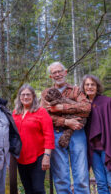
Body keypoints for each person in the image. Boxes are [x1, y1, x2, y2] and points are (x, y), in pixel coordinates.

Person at [41, 62, 91, 194]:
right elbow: (45, 116)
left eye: (59, 71)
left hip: (77, 133)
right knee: (61, 176)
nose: (57, 74)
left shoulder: (76, 90)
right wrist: (66, 121)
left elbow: (86, 108)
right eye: (54, 73)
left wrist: (61, 108)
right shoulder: (46, 93)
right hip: (56, 134)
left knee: (81, 174)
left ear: (65, 72)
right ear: (51, 76)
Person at [13, 84, 55, 194]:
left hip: (38, 156)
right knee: (28, 189)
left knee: (38, 189)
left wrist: (47, 156)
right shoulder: (15, 113)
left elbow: (49, 135)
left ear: (33, 96)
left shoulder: (41, 112)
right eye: (23, 95)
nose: (25, 97)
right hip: (21, 157)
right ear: (19, 97)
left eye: (28, 94)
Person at [81, 74, 111, 194]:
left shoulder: (106, 101)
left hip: (106, 147)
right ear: (83, 87)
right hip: (93, 150)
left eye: (92, 84)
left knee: (110, 180)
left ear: (97, 86)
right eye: (87, 84)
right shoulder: (82, 105)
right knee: (101, 183)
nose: (89, 87)